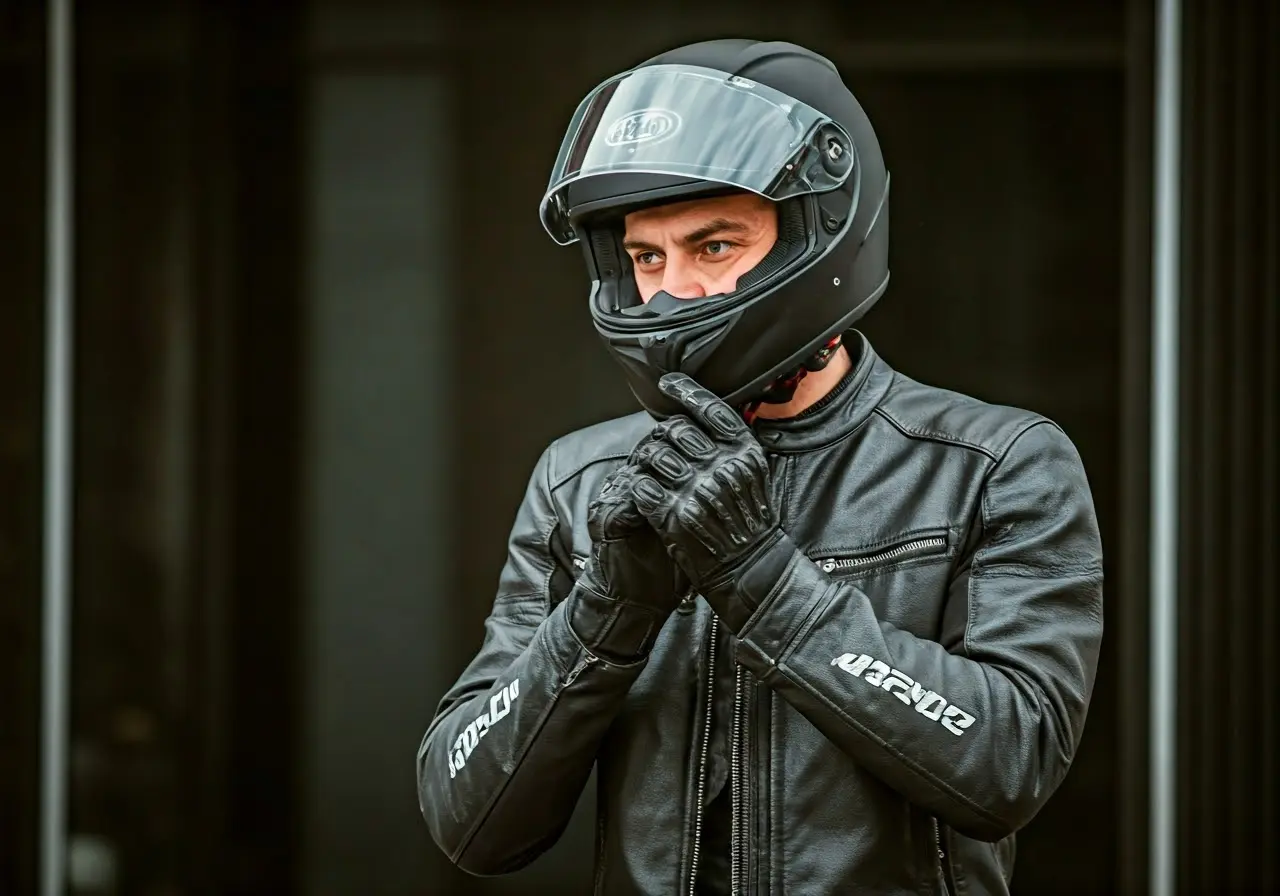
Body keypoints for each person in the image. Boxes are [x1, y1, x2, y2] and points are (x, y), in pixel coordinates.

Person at [417, 38, 1104, 895]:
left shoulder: (990, 464)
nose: (670, 294)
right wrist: (609, 611)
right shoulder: (580, 480)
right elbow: (469, 818)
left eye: (713, 247)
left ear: (816, 236)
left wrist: (764, 579)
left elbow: (1008, 762)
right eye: (645, 258)